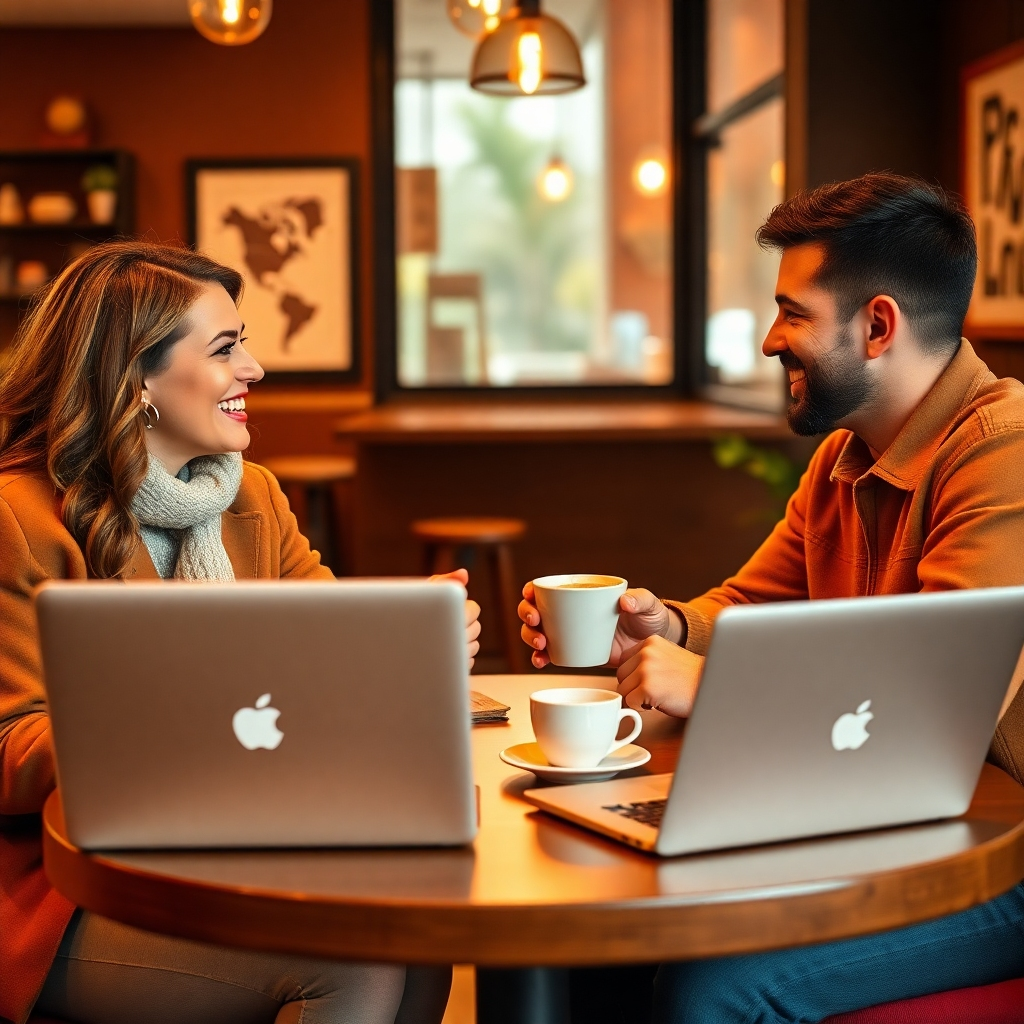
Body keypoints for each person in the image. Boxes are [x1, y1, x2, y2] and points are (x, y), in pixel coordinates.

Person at [519, 173, 1024, 1021]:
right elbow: (750, 607)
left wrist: (707, 686)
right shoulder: (844, 458)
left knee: (716, 988)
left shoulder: (1001, 457)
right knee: (596, 924)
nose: (768, 340)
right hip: (893, 820)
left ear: (877, 326)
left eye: (792, 312)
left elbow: (932, 708)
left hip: (998, 853)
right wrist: (664, 627)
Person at [0, 241, 481, 1024]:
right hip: (68, 892)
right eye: (226, 349)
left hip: (247, 847)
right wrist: (176, 713)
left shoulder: (252, 494)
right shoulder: (19, 518)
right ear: (138, 379)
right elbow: (10, 750)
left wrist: (399, 647)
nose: (254, 369)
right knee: (353, 969)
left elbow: (321, 647)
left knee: (416, 931)